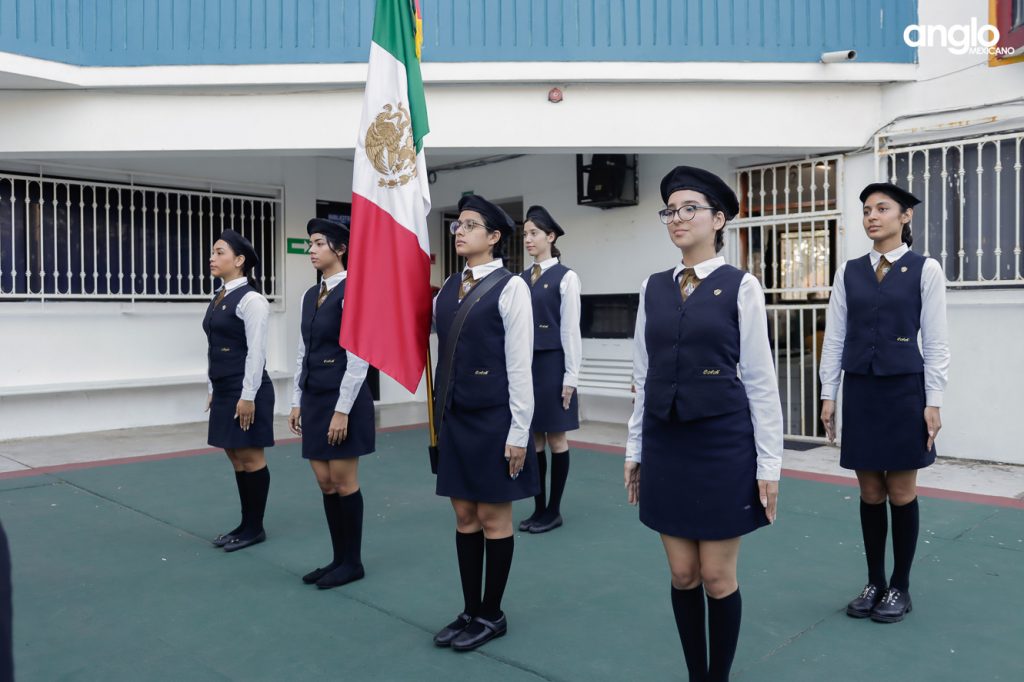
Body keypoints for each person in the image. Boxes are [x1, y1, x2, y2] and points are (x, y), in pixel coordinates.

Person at [624, 166, 783, 682]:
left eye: (689, 208)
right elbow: (642, 376)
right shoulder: (652, 287)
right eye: (670, 209)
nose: (677, 218)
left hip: (722, 445)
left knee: (717, 576)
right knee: (682, 573)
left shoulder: (742, 286)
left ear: (718, 220)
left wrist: (770, 464)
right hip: (666, 443)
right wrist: (635, 448)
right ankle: (697, 675)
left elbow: (760, 380)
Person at [819, 182, 950, 623]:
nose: (871, 216)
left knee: (901, 490)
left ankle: (901, 586)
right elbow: (835, 335)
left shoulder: (925, 269)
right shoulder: (848, 271)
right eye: (866, 210)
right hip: (861, 389)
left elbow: (935, 341)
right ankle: (874, 581)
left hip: (903, 390)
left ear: (905, 216)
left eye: (882, 208)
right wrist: (828, 392)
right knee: (870, 491)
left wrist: (934, 400)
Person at [431, 194, 537, 652]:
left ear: (493, 237)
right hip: (456, 417)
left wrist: (519, 432)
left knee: (494, 518)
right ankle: (470, 607)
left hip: (494, 419)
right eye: (458, 223)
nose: (459, 229)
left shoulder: (512, 288)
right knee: (463, 516)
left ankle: (492, 613)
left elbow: (520, 365)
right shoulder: (446, 288)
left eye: (471, 224)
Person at [288, 218, 375, 589]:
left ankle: (352, 562)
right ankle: (337, 558)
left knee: (343, 480)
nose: (311, 250)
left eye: (319, 243)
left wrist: (342, 410)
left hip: (345, 399)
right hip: (315, 395)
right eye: (310, 244)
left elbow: (359, 356)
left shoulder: (356, 291)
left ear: (340, 249)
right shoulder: (312, 294)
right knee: (324, 482)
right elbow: (303, 350)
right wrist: (296, 400)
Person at [204, 229, 274, 552]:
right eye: (213, 252)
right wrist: (211, 388)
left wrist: (248, 396)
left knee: (250, 456)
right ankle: (245, 524)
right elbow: (214, 346)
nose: (212, 258)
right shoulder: (218, 297)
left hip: (247, 389)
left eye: (220, 252)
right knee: (234, 455)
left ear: (240, 260)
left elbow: (256, 352)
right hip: (225, 388)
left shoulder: (252, 300)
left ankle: (254, 527)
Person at [518, 205, 582, 534]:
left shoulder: (566, 277)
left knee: (556, 439)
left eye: (534, 233)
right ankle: (538, 508)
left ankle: (554, 510)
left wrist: (570, 377)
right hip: (526, 367)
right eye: (525, 233)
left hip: (554, 365)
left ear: (550, 237)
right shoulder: (520, 279)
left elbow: (571, 330)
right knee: (535, 441)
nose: (528, 239)